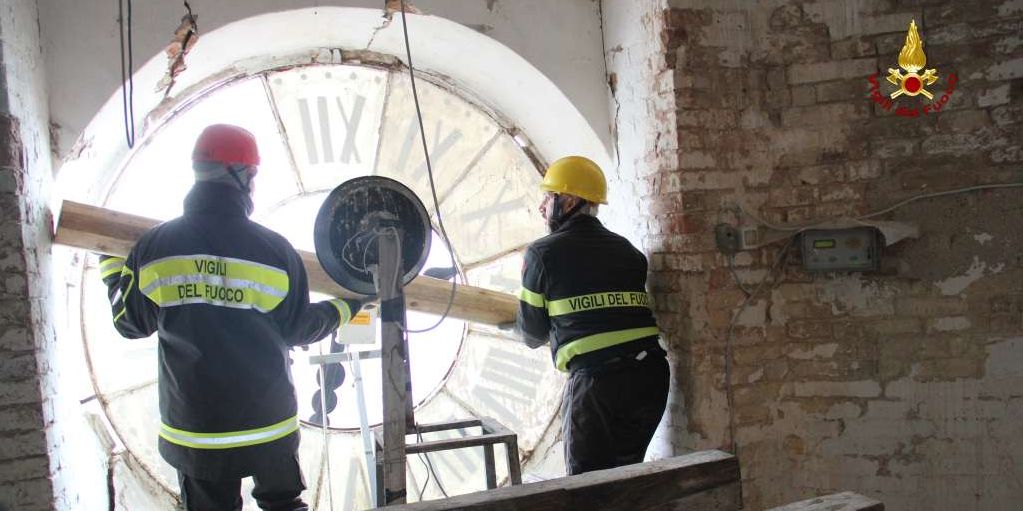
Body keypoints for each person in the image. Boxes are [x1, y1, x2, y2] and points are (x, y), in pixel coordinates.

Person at [99, 124, 364, 510]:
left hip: (196, 433)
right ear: (244, 176)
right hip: (268, 426)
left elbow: (130, 324)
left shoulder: (155, 248)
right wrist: (351, 305)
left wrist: (111, 267)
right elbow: (299, 329)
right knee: (284, 506)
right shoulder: (274, 251)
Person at [516, 155, 669, 476]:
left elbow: (531, 334)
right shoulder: (629, 251)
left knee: (586, 488)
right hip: (651, 377)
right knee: (626, 479)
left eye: (549, 196)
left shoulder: (541, 254)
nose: (542, 207)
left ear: (570, 201)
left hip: (598, 384)